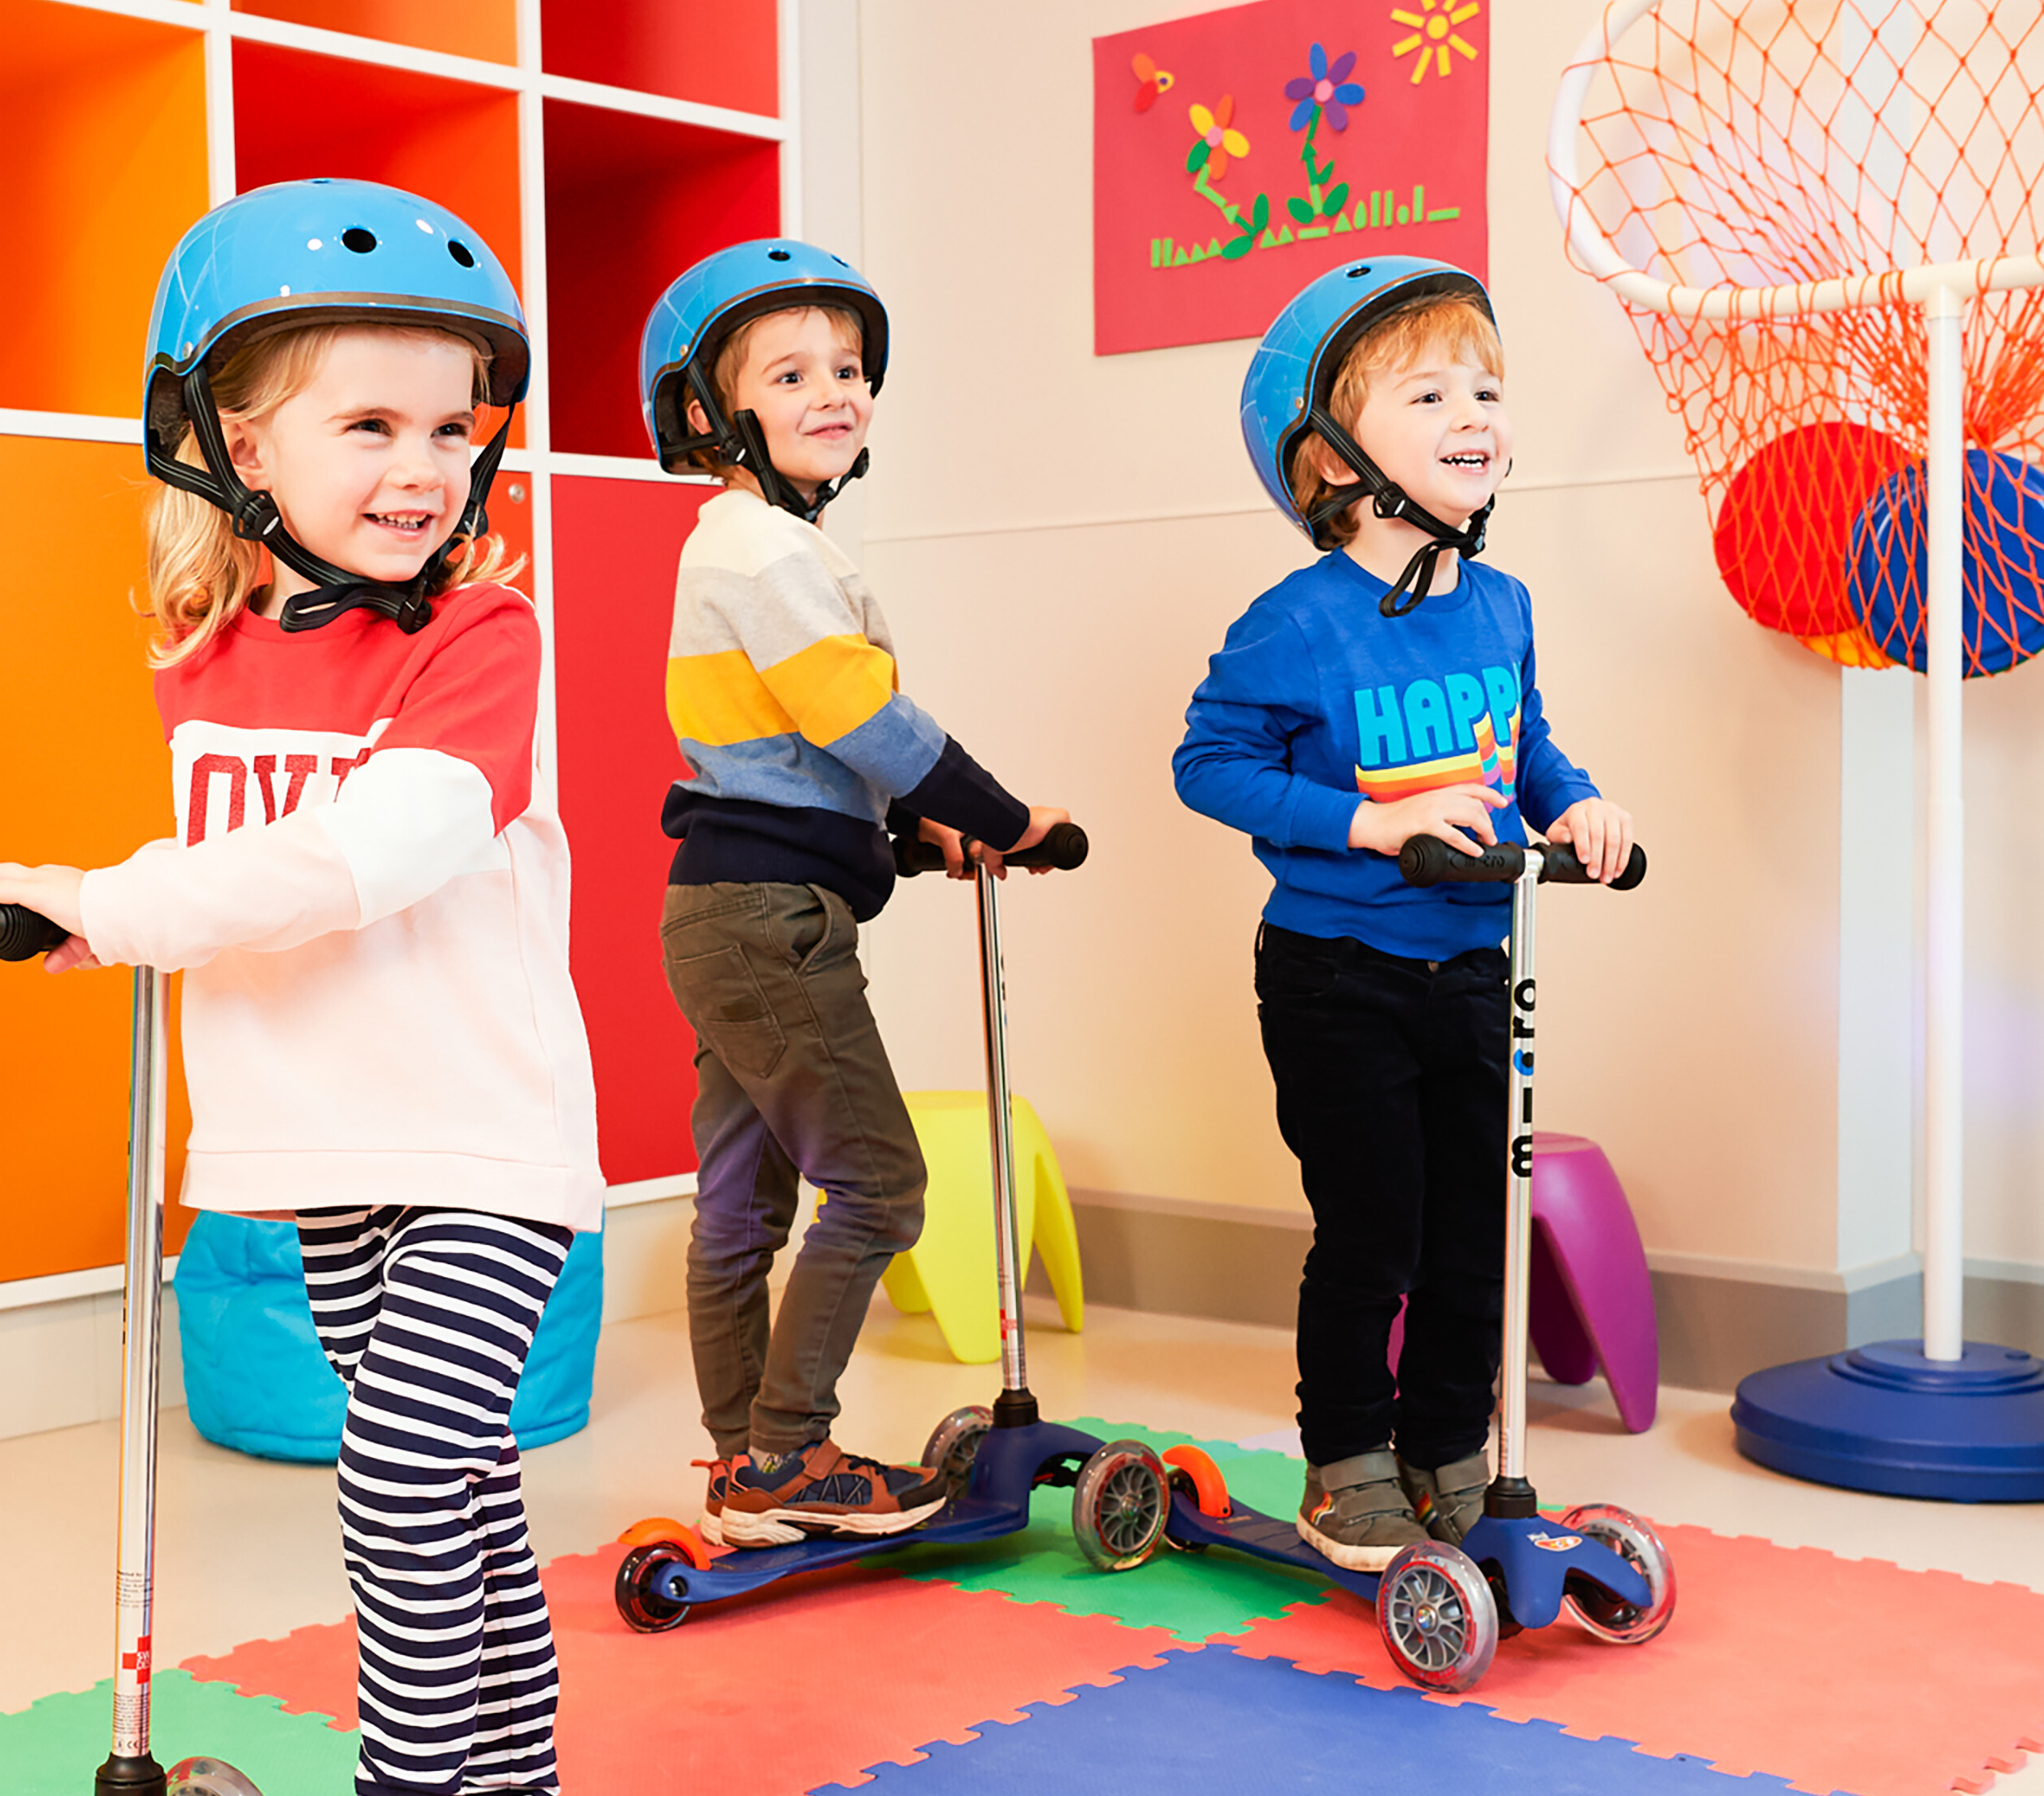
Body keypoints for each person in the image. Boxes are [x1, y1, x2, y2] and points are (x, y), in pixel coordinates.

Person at [0, 181, 597, 1796]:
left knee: (401, 1468)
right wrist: (114, 915)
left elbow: (370, 852)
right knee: (456, 1487)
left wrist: (114, 900)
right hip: (313, 1139)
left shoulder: (481, 639)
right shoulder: (207, 659)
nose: (422, 464)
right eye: (366, 422)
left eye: (449, 424)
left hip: (478, 1132)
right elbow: (234, 867)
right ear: (240, 441)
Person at [1172, 259, 1635, 1573]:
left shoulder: (1503, 603)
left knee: (1473, 1233)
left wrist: (1578, 802)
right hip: (1336, 974)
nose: (1472, 412)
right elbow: (1209, 766)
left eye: (1485, 386)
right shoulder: (1295, 623)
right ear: (1329, 455)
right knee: (1374, 1228)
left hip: (1473, 964)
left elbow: (1525, 744)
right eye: (1428, 391)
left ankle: (1448, 1451)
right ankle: (1348, 1466)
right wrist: (1368, 823)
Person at [633, 239, 1067, 1547]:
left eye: (850, 366)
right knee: (879, 1180)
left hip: (725, 904)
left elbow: (795, 762)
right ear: (713, 416)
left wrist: (925, 836)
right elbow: (859, 717)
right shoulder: (764, 552)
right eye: (792, 371)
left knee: (739, 1205)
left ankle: (741, 1462)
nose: (836, 389)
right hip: (771, 924)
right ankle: (786, 1455)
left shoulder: (752, 546)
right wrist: (1004, 816)